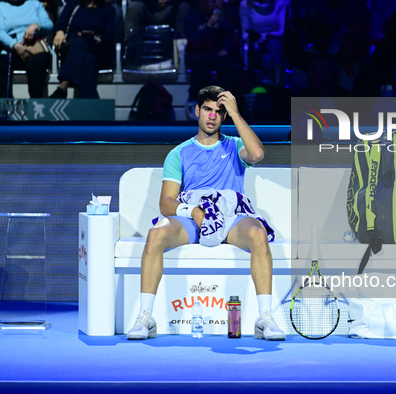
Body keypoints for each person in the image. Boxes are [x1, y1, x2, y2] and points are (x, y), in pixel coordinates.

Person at [127, 85, 285, 341]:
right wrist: (194, 212)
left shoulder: (235, 146)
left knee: (258, 234)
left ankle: (264, 317)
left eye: (219, 112)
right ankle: (146, 316)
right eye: (208, 110)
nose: (212, 116)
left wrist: (235, 113)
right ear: (198, 111)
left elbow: (257, 154)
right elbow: (166, 202)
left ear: (224, 117)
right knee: (155, 234)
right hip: (193, 218)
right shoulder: (178, 153)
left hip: (231, 217)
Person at [50, 0, 116, 98]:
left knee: (82, 43)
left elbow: (110, 37)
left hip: (98, 49)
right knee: (88, 59)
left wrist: (95, 39)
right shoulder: (73, 5)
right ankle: (90, 107)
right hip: (72, 49)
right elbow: (61, 25)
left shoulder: (108, 9)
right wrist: (59, 32)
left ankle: (63, 86)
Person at [0, 0, 53, 99]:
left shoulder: (35, 4)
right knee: (1, 63)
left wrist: (36, 26)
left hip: (34, 50)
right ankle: (6, 105)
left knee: (37, 63)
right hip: (11, 50)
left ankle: (35, 103)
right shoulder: (2, 6)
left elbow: (49, 26)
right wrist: (14, 45)